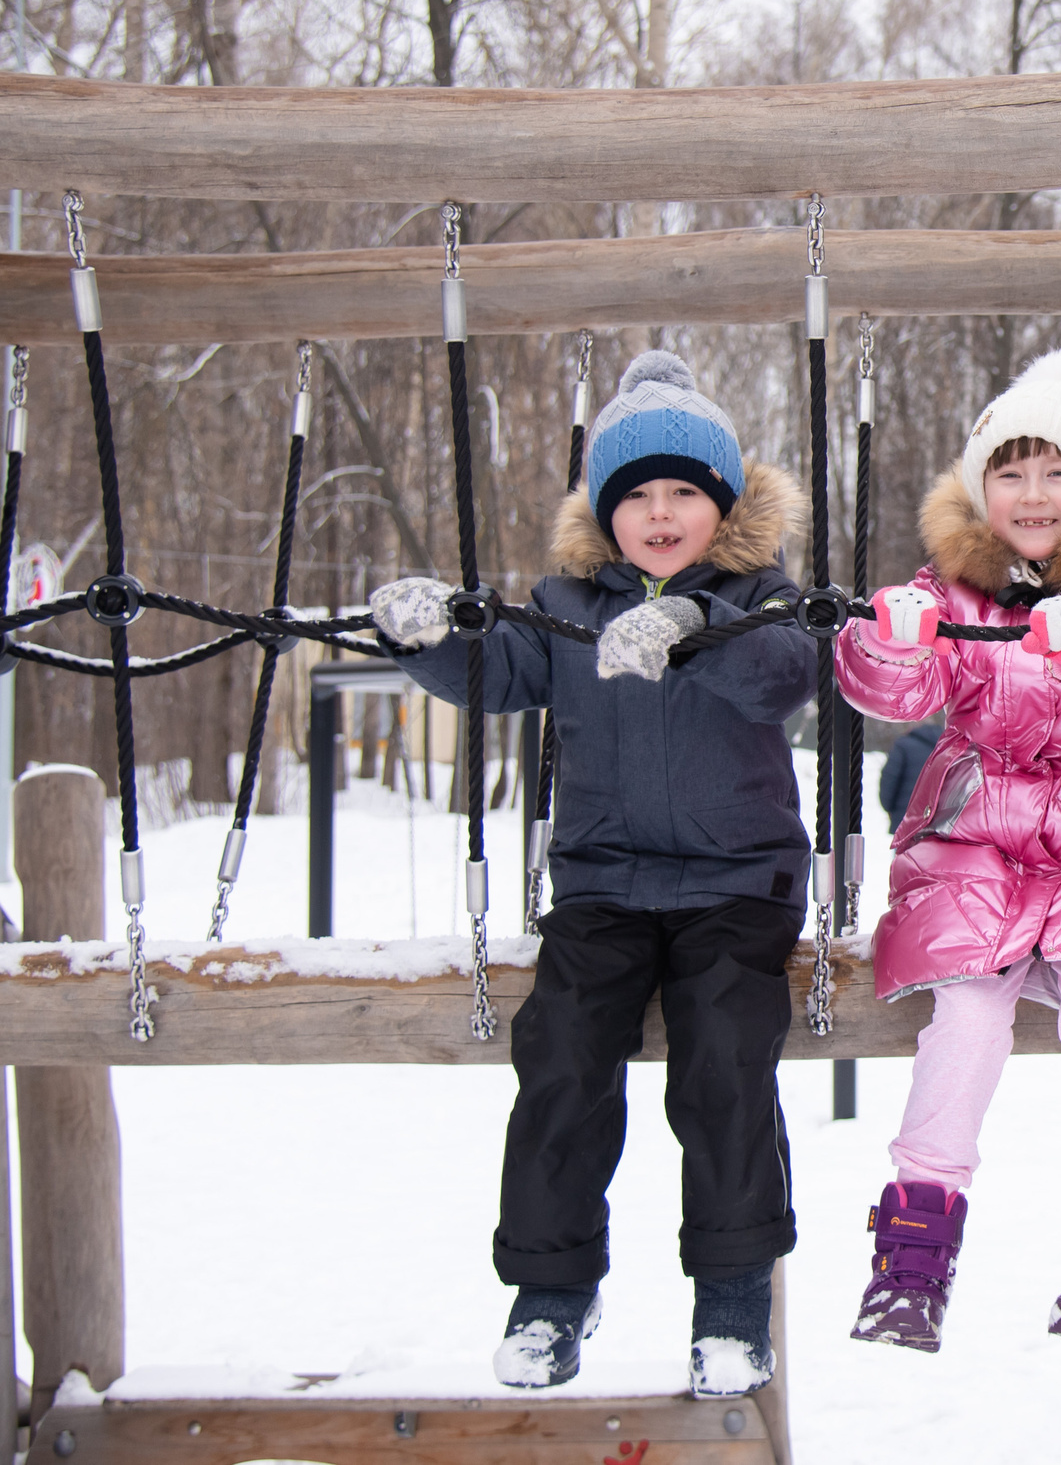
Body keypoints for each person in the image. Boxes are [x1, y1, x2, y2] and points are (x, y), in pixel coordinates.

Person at [366, 350, 822, 1399]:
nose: (661, 516)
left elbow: (782, 679)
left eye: (684, 494)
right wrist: (428, 635)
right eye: (638, 497)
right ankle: (551, 1294)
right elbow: (499, 673)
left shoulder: (765, 599)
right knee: (564, 1053)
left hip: (734, 887)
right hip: (605, 886)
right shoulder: (564, 607)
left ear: (722, 504)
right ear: (606, 512)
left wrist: (694, 625)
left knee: (723, 1059)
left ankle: (732, 1298)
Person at [835, 348, 1061, 1354]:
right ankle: (911, 1263)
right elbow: (894, 696)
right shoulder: (950, 584)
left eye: (1055, 472)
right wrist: (892, 641)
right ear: (980, 489)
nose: (1031, 494)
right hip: (976, 834)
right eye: (1010, 473)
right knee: (967, 1018)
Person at [878, 718, 944, 830]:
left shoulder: (903, 746)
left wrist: (889, 807)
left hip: (906, 819)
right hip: (939, 820)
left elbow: (889, 779)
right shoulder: (946, 746)